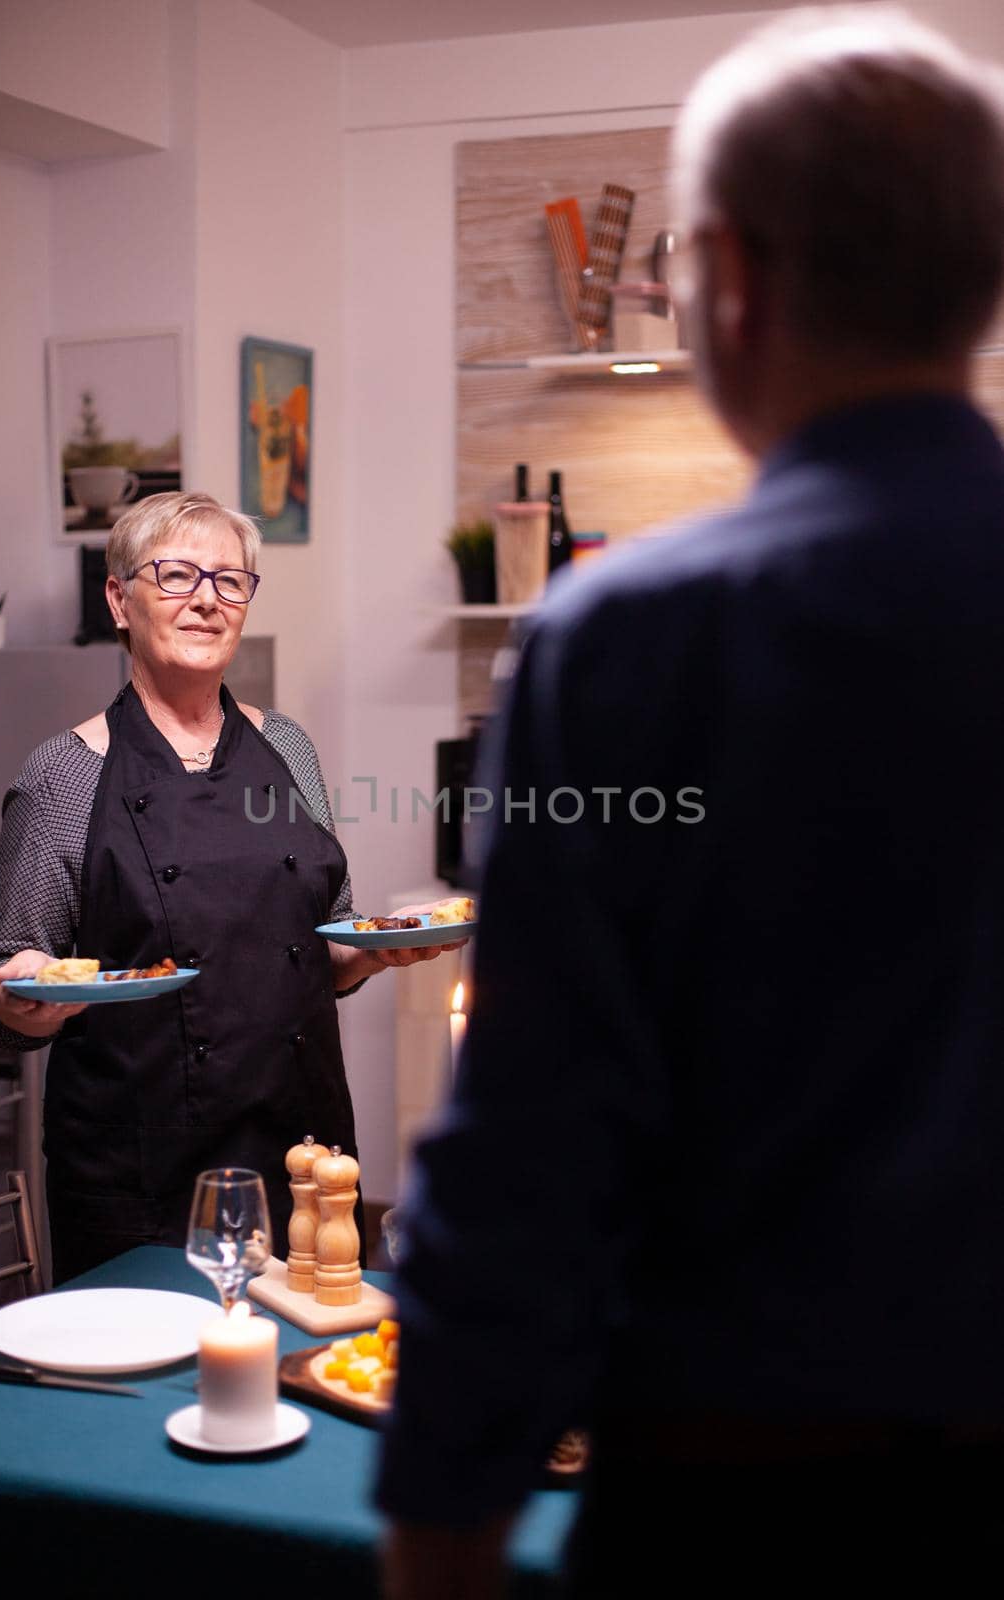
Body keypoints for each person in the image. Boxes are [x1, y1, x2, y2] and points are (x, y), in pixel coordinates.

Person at [377, 9, 1004, 1593]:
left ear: (724, 279)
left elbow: (531, 1140)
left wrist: (443, 1525)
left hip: (735, 1501)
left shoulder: (630, 635)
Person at [0, 491, 457, 1283]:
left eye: (231, 581)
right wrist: (21, 998)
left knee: (310, 1376)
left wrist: (376, 952)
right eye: (176, 575)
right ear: (118, 598)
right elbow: (1, 999)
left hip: (305, 1153)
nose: (206, 598)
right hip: (142, 1172)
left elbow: (320, 951)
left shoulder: (288, 749)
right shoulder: (63, 774)